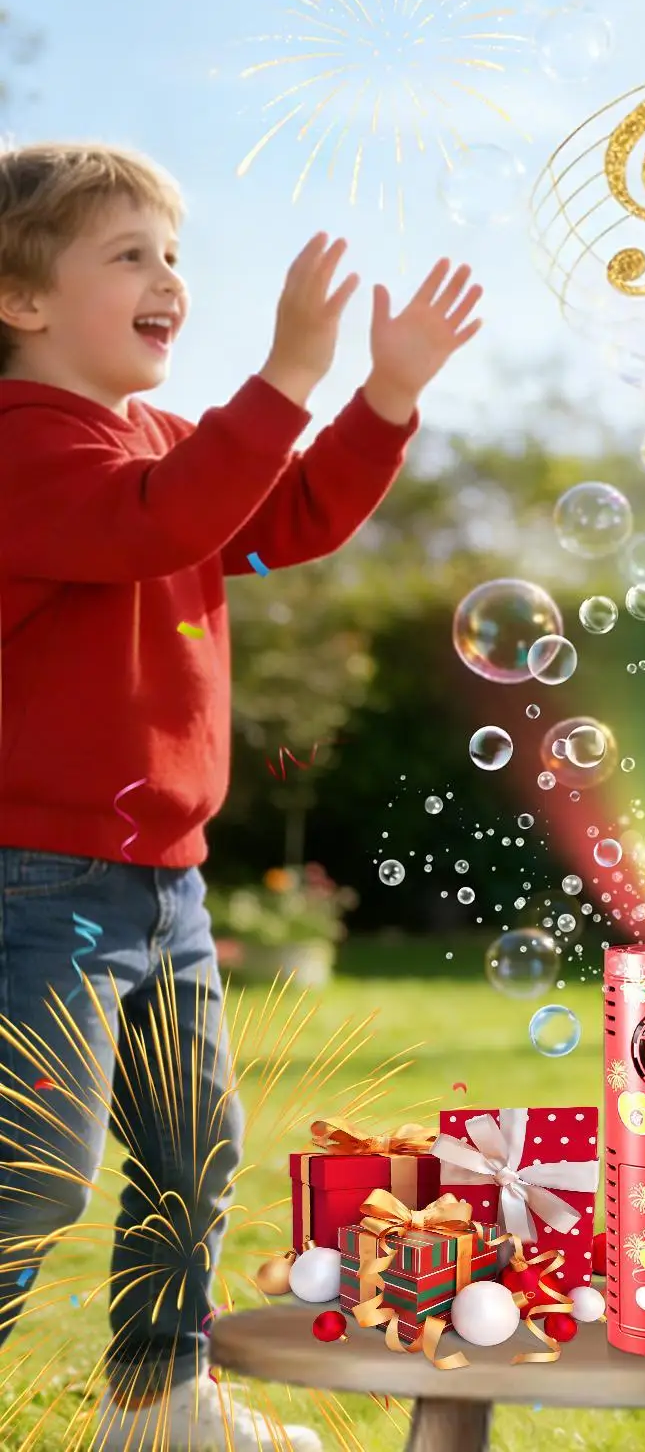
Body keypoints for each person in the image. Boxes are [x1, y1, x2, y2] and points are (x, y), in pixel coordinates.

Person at [0, 142, 482, 1452]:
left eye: (174, 254)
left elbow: (284, 517)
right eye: (130, 255)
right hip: (37, 881)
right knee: (34, 1167)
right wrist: (287, 375)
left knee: (192, 1151)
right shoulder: (21, 444)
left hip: (166, 884)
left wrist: (382, 396)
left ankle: (158, 1400)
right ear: (22, 299)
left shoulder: (167, 448)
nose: (170, 279)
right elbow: (158, 518)